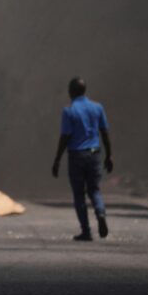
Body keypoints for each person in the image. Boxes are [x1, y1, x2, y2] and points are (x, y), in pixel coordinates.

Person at [52, 77, 113, 241]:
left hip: (76, 156)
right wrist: (109, 155)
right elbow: (104, 133)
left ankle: (86, 231)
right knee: (95, 190)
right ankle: (100, 213)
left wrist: (57, 159)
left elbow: (65, 136)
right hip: (95, 154)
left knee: (79, 194)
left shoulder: (69, 110)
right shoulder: (97, 107)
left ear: (71, 91)